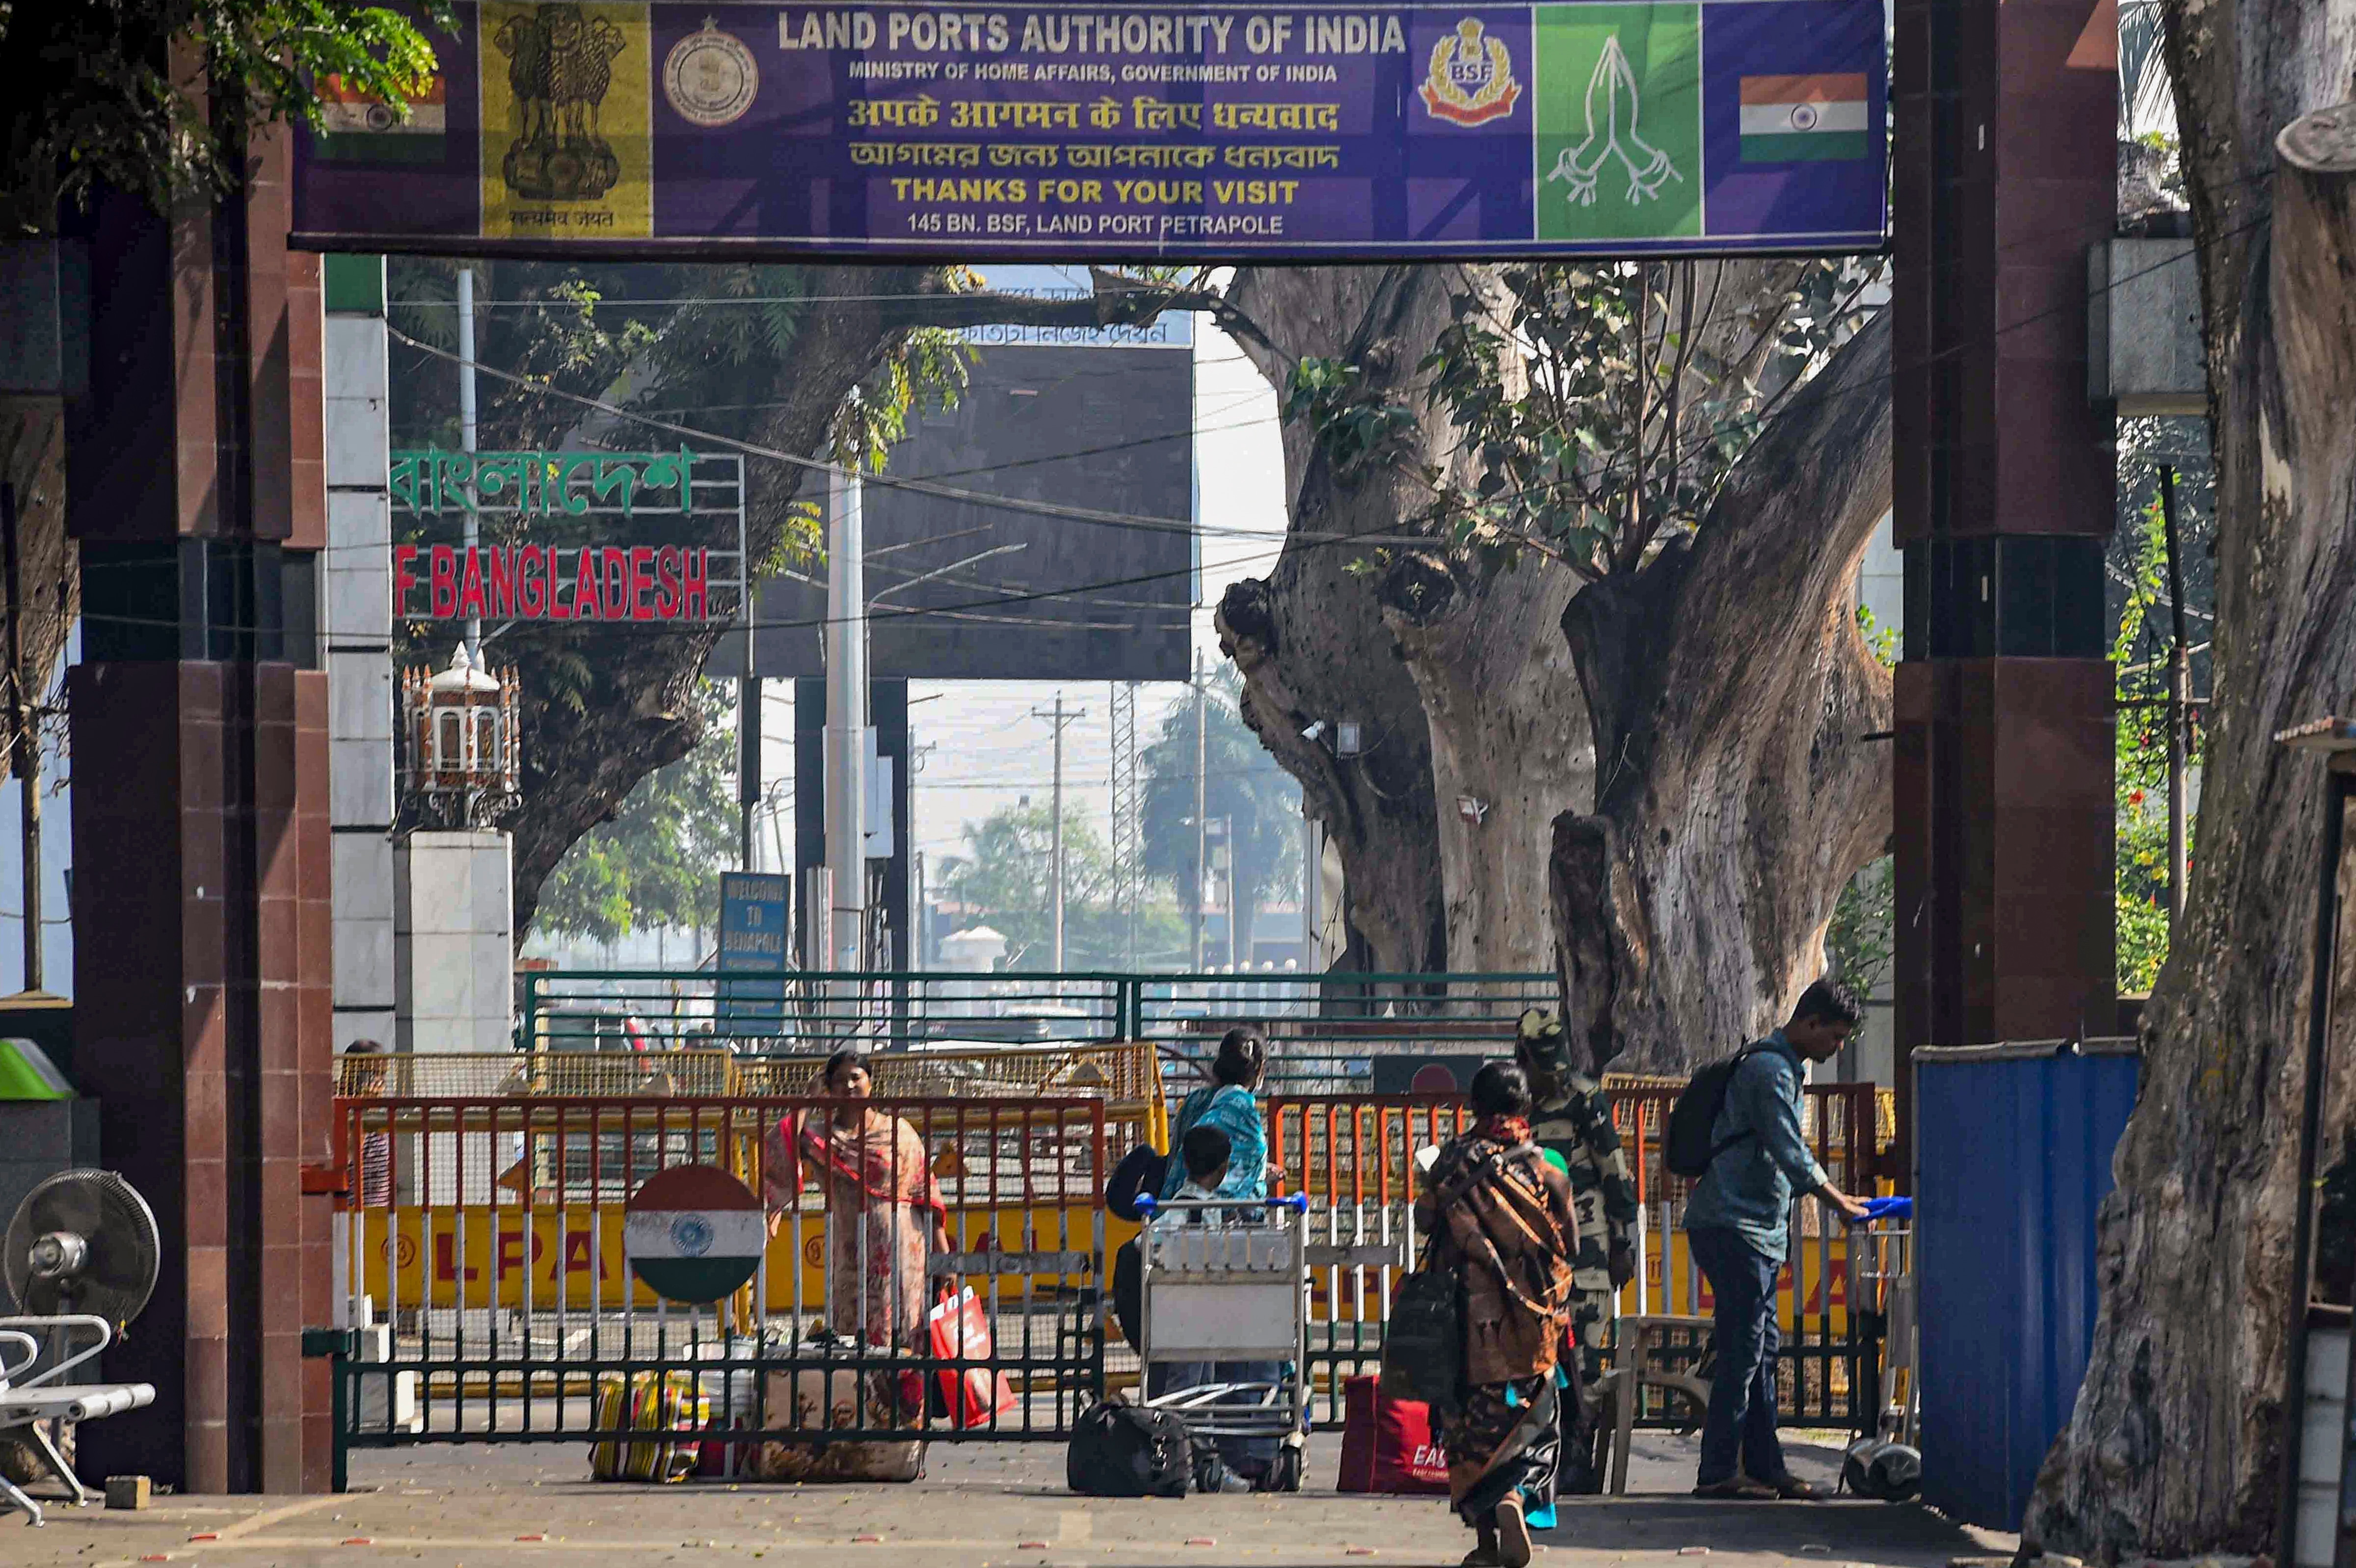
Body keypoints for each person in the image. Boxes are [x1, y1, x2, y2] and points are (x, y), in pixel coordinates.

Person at [1683, 979, 1873, 1501]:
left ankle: (1768, 1468)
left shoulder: (1786, 1068)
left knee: (1761, 1348)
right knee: (1744, 1348)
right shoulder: (1769, 1071)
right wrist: (1842, 1204)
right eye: (1834, 1038)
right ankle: (1718, 1471)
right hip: (1731, 1224)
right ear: (1809, 1023)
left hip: (1756, 1229)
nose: (1837, 1049)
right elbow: (1791, 1151)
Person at [1415, 1063, 1579, 1568]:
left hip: (1468, 1325)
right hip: (1533, 1328)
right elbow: (1570, 1241)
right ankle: (1517, 1499)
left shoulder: (1449, 1161)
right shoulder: (1547, 1164)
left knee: (1471, 1429)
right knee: (1529, 1423)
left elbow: (1425, 1223)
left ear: (1474, 1108)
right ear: (1527, 1108)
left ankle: (1487, 1541)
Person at [1516, 1008, 1639, 1496]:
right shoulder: (1515, 1102)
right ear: (1522, 1057)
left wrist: (1624, 1244)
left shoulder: (1584, 1098)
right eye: (1540, 1063)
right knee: (1535, 1361)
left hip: (1587, 1251)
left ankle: (1578, 1460)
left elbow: (1616, 1170)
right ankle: (1542, 1457)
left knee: (1583, 1360)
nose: (1551, 1073)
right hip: (1530, 1255)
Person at [763, 1048, 951, 1354]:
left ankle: (905, 1399)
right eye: (839, 1080)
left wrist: (944, 1256)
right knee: (853, 1338)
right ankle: (862, 1402)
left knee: (904, 1329)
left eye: (855, 1078)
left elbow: (925, 1192)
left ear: (870, 1082)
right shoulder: (822, 1135)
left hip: (903, 1250)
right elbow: (779, 1144)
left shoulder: (898, 1132)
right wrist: (810, 1099)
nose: (848, 1086)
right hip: (850, 1247)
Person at [1160, 1121, 1281, 1491]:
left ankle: (1191, 1458)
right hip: (1201, 1318)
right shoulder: (1208, 1211)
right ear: (1224, 1168)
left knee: (1194, 1389)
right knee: (1192, 1393)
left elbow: (1145, 1247)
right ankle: (1184, 1460)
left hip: (1179, 1317)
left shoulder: (1173, 1209)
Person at [1160, 1028, 1268, 1202]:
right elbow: (1246, 1178)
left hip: (1174, 1205)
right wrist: (1262, 1178)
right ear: (1260, 1068)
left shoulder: (1195, 1101)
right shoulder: (1244, 1113)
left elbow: (1176, 1158)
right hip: (1218, 1220)